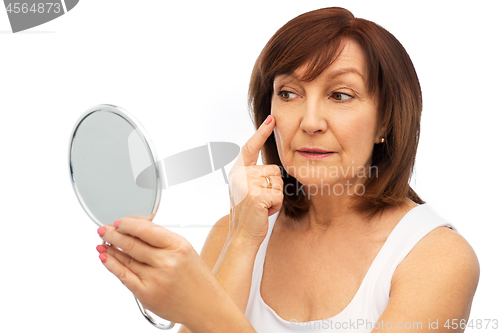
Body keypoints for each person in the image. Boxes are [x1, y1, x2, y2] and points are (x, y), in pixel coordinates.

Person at [95, 7, 480, 333]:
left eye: (340, 95)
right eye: (289, 93)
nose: (310, 121)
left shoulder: (438, 258)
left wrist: (199, 307)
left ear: (385, 122)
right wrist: (243, 239)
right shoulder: (231, 234)